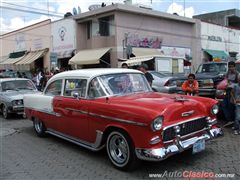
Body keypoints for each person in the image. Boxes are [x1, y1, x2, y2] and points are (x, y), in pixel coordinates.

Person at [222, 61, 239, 127]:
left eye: (232, 67)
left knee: (231, 106)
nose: (230, 68)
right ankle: (229, 120)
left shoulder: (237, 74)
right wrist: (227, 84)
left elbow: (238, 83)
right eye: (229, 67)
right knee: (223, 105)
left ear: (234, 67)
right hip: (227, 91)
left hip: (233, 92)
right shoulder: (228, 73)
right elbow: (226, 80)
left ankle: (232, 120)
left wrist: (232, 85)